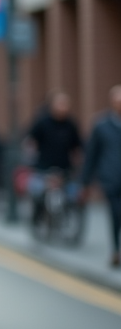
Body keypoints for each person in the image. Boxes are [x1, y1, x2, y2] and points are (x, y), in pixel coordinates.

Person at [26, 91, 82, 224]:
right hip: (44, 166)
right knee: (37, 193)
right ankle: (37, 216)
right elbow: (31, 140)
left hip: (64, 166)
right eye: (60, 103)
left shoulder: (71, 124)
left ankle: (67, 216)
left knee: (71, 194)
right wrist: (30, 156)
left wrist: (78, 161)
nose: (63, 107)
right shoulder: (42, 122)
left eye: (65, 104)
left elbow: (77, 145)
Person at [80, 85, 121, 268]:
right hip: (111, 178)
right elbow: (92, 155)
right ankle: (115, 249)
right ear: (112, 102)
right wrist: (85, 181)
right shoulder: (101, 125)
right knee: (115, 214)